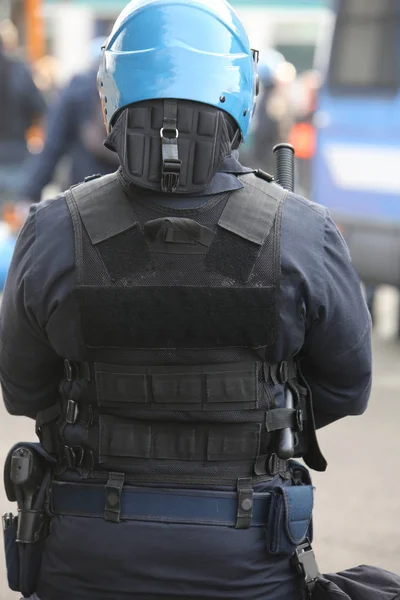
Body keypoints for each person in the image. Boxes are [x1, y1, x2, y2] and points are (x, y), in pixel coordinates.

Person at [0, 1, 372, 599]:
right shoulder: (304, 230)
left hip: (86, 560)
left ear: (110, 88)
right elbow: (347, 389)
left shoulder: (50, 230)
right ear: (241, 88)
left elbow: (23, 388)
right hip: (248, 561)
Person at [18, 37, 119, 204]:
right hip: (132, 197)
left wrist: (30, 193)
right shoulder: (140, 88)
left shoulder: (79, 86)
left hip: (85, 194)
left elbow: (53, 145)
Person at [0, 34, 46, 205]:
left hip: (15, 154)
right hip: (15, 155)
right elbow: (40, 108)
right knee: (16, 221)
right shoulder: (19, 70)